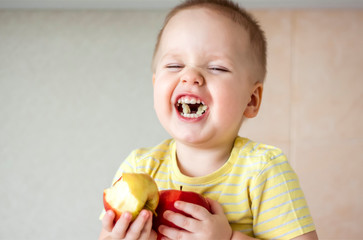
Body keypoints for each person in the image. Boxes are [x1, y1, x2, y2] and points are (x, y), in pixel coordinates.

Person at [99, 0, 318, 239]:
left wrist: (228, 238)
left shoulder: (263, 170)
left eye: (217, 68)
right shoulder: (139, 168)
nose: (190, 76)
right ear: (155, 87)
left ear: (251, 100)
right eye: (174, 65)